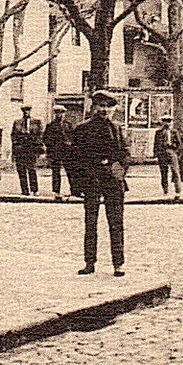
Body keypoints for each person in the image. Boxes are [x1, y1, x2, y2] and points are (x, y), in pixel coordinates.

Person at [72, 90, 129, 277]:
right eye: (101, 106)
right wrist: (77, 185)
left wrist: (118, 173)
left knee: (116, 223)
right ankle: (89, 262)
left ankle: (118, 264)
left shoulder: (118, 129)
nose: (104, 110)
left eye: (108, 106)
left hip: (113, 181)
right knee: (91, 223)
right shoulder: (82, 129)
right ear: (94, 107)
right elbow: (75, 160)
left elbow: (125, 155)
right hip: (91, 180)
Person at [10, 105, 44, 196]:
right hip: (20, 150)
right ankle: (24, 190)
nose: (26, 112)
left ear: (30, 111)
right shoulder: (17, 122)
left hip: (31, 150)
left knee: (32, 170)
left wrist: (37, 147)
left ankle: (34, 189)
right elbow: (13, 136)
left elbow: (40, 136)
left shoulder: (36, 122)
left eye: (28, 111)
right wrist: (16, 147)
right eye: (24, 111)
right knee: (21, 170)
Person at [43, 105, 75, 201]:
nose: (59, 115)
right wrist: (52, 146)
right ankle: (56, 192)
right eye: (57, 113)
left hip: (67, 152)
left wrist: (70, 144)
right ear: (55, 114)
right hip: (55, 152)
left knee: (70, 172)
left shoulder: (68, 125)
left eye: (61, 113)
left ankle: (74, 191)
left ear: (64, 114)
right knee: (56, 172)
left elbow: (74, 137)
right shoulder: (51, 125)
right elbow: (45, 138)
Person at [153, 115, 183, 200]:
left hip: (171, 152)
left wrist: (177, 153)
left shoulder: (174, 132)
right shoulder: (158, 132)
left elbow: (180, 144)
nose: (167, 123)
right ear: (162, 122)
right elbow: (155, 144)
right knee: (164, 173)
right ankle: (165, 191)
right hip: (162, 153)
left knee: (175, 172)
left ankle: (178, 191)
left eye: (169, 121)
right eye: (165, 121)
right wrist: (156, 154)